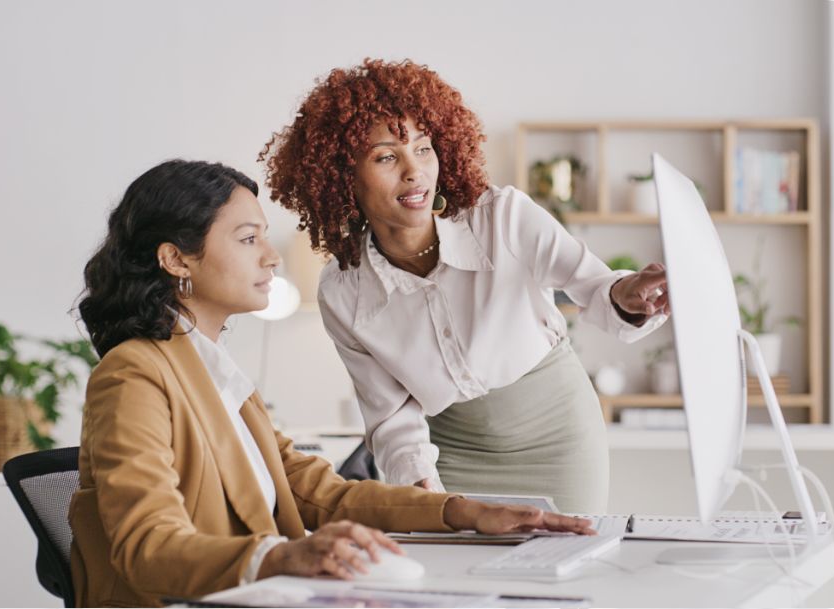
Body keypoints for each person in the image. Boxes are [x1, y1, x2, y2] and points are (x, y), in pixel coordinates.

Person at [70, 159, 593, 607]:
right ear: (176, 258)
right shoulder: (134, 374)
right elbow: (146, 546)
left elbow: (323, 496)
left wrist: (465, 511)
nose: (271, 256)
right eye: (248, 239)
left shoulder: (215, 373)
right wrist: (282, 556)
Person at [260, 59, 670, 514]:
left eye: (423, 147)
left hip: (558, 435)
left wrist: (630, 293)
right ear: (343, 176)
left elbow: (594, 285)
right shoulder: (343, 291)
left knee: (562, 566)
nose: (414, 171)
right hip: (450, 451)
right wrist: (431, 499)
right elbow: (392, 417)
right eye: (386, 157)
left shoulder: (502, 217)